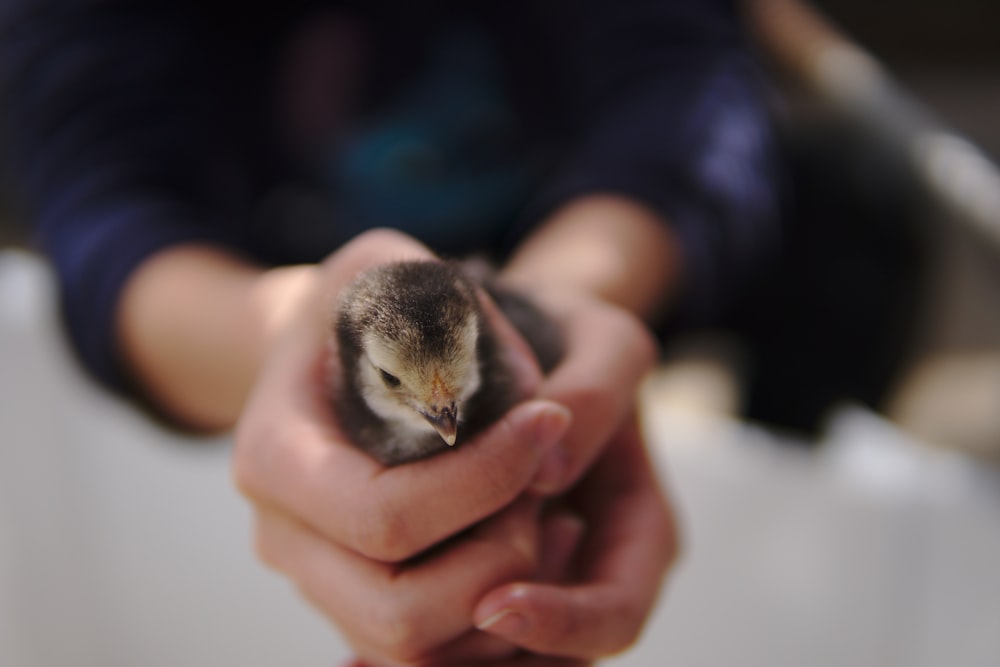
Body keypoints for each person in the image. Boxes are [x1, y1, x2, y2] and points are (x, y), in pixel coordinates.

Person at [0, 0, 780, 664]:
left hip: (554, 284)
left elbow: (689, 89)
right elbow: (98, 192)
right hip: (290, 319)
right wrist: (276, 335)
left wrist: (564, 303)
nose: (443, 411)